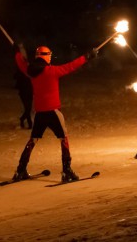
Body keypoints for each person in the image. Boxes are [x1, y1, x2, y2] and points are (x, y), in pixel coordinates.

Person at [11, 44, 96, 183]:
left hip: (39, 113)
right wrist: (86, 57)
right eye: (49, 55)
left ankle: (20, 169)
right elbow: (71, 66)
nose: (51, 57)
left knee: (33, 140)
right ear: (46, 56)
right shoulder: (52, 71)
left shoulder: (30, 71)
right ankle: (66, 171)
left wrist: (17, 53)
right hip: (53, 112)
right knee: (64, 139)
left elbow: (21, 63)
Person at [14, 44, 33, 129]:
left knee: (28, 108)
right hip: (23, 91)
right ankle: (30, 124)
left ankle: (22, 119)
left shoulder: (27, 65)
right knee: (28, 108)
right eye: (22, 51)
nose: (24, 53)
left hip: (30, 90)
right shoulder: (20, 69)